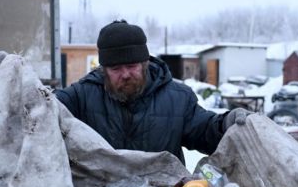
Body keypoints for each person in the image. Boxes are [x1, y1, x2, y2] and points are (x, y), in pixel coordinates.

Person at [53, 20, 250, 164]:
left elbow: (205, 130)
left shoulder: (177, 98)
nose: (125, 75)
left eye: (131, 66)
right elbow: (46, 108)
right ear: (103, 70)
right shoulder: (81, 96)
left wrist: (226, 124)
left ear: (145, 63)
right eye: (115, 69)